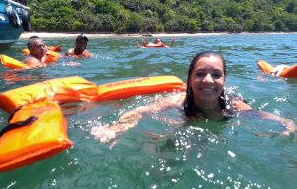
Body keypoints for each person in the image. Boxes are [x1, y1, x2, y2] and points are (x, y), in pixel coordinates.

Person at [91, 51, 297, 143]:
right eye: (200, 74)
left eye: (216, 75)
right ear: (189, 79)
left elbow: (264, 116)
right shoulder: (178, 101)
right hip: (189, 121)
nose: (208, 80)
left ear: (224, 80)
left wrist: (288, 125)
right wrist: (116, 128)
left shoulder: (234, 104)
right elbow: (140, 110)